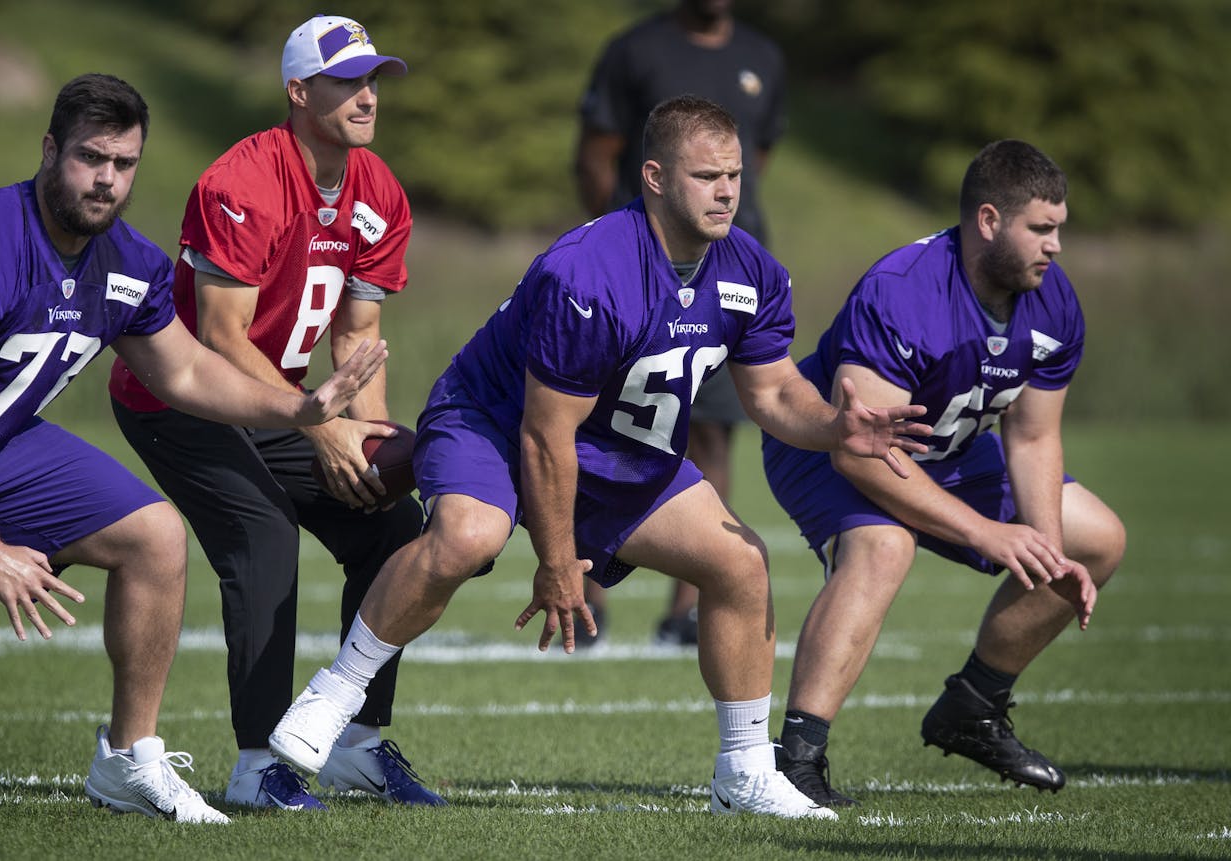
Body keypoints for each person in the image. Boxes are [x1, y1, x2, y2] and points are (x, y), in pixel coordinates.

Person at [267, 96, 932, 819]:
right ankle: (334, 694)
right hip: (495, 420)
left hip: (620, 445)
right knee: (469, 534)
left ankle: (744, 769)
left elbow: (773, 393)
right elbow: (545, 437)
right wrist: (558, 566)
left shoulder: (754, 272)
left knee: (740, 563)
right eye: (707, 175)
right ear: (653, 176)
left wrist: (837, 426)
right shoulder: (590, 271)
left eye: (735, 174)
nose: (727, 191)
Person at [0, 73, 388, 825]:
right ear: (50, 150)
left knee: (153, 536)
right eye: (91, 158)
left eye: (125, 164)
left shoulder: (129, 262)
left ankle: (127, 757)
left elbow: (183, 371)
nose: (106, 179)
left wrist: (299, 406)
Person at [108, 15, 442, 810]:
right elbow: (219, 340)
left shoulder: (379, 190)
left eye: (372, 81)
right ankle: (257, 762)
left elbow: (357, 338)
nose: (366, 97)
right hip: (178, 397)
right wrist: (317, 423)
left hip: (284, 401)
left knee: (393, 526)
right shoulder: (243, 181)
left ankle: (357, 742)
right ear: (298, 92)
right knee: (263, 531)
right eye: (346, 82)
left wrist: (368, 441)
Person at [761, 140, 1122, 807]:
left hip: (944, 451)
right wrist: (988, 534)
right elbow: (860, 450)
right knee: (883, 544)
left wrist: (1040, 545)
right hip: (833, 445)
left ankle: (974, 706)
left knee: (1095, 537)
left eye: (1060, 228)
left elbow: (1034, 433)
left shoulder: (1052, 302)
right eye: (1041, 228)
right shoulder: (903, 292)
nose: (1057, 246)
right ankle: (797, 758)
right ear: (988, 222)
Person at [575, 0, 787, 646]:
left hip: (721, 279)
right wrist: (621, 239)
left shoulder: (764, 56)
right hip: (639, 272)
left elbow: (759, 155)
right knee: (592, 423)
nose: (725, 183)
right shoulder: (635, 49)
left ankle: (685, 609)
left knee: (713, 435)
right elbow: (595, 153)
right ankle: (583, 599)